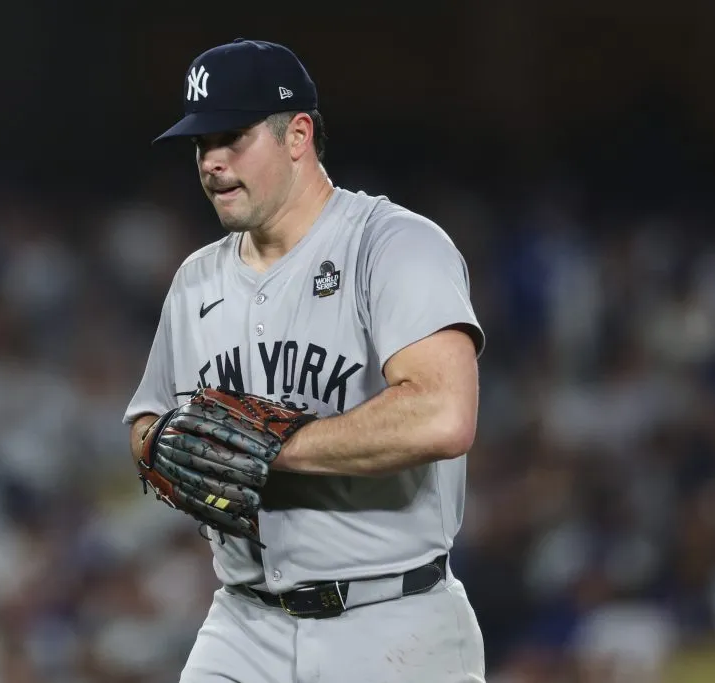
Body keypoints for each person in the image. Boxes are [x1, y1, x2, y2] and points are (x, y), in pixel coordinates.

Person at [123, 38, 486, 682]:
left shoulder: (392, 245)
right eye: (201, 144)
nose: (211, 161)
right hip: (242, 623)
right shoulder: (196, 281)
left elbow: (443, 415)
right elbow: (147, 422)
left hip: (391, 619)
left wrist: (273, 449)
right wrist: (167, 445)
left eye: (231, 138)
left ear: (297, 136)